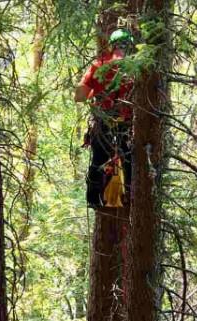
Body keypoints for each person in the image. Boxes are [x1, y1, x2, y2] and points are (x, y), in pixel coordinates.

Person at [75, 28, 135, 208]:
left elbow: (79, 95)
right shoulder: (136, 68)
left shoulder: (98, 65)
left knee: (98, 159)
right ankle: (131, 199)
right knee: (129, 159)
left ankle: (94, 200)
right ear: (130, 46)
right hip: (127, 124)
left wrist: (97, 91)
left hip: (103, 122)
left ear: (111, 45)